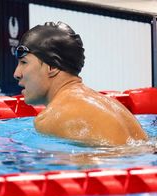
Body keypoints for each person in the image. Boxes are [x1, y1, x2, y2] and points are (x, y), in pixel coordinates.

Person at [13, 21, 148, 146]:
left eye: (24, 62)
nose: (17, 74)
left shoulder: (51, 118)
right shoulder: (112, 106)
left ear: (52, 67)